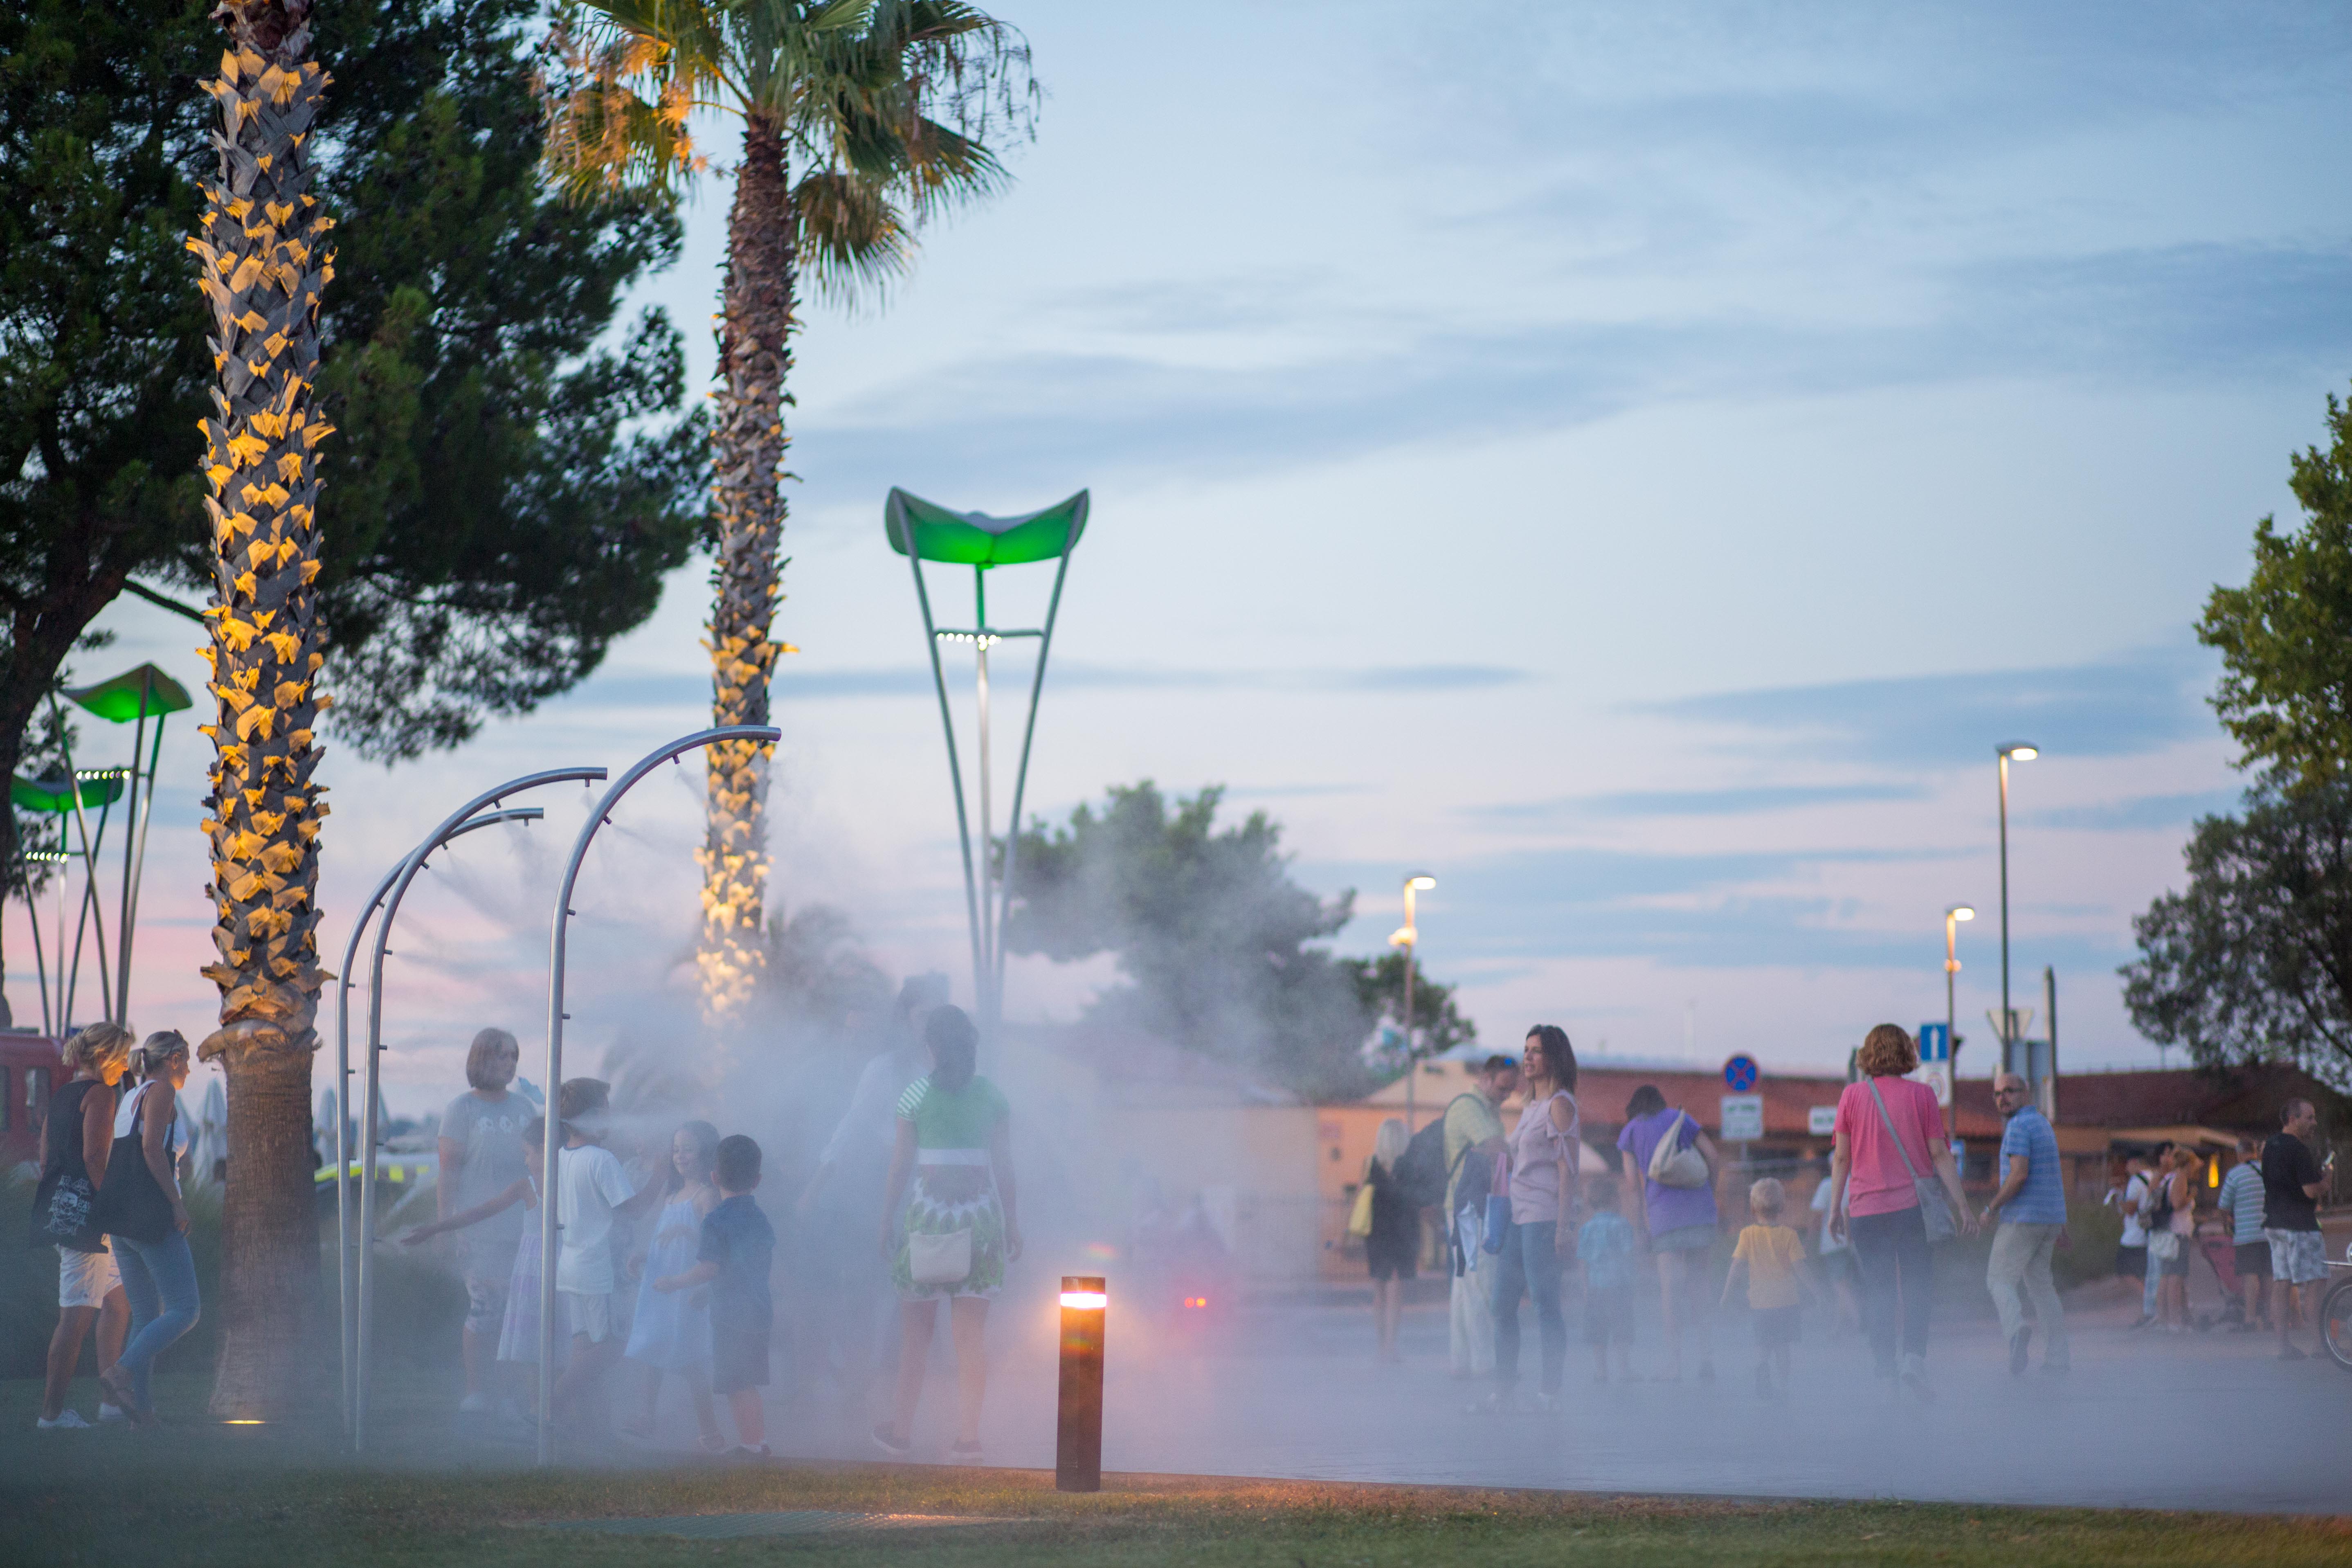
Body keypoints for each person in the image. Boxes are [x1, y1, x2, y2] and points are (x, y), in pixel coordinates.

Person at [797, 974, 947, 1421]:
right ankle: (857, 1384)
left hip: (935, 1195)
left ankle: (899, 1397)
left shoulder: (954, 1072)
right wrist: (814, 1187)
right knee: (864, 1288)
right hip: (881, 1189)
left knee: (918, 1297)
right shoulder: (884, 1068)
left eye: (938, 1012)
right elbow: (849, 1127)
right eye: (922, 1012)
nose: (930, 1022)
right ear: (906, 1017)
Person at [875, 1005, 1021, 1462]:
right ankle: (968, 1438)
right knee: (970, 1337)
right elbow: (1004, 1167)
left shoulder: (914, 1096)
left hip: (928, 1223)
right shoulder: (993, 1097)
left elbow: (900, 1166)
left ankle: (900, 1433)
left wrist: (885, 1219)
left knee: (917, 1335)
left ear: (932, 1047)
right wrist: (1013, 1222)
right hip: (981, 1225)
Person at [1827, 1024, 1975, 1402]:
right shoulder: (1923, 1095)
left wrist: (1835, 1209)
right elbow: (1939, 1154)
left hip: (1865, 1211)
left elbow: (1842, 1158)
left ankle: (1884, 1371)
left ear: (1868, 1054)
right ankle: (1913, 1360)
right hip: (1912, 1210)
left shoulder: (1851, 1096)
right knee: (1917, 1285)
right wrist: (1962, 1206)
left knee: (1879, 1291)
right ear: (1907, 1053)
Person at [403, 1114, 561, 1413]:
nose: (526, 1161)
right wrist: (437, 1228)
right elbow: (481, 1212)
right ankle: (534, 1407)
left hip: (562, 1274)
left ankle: (552, 1405)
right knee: (530, 1340)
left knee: (556, 1338)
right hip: (533, 1275)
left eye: (528, 1154)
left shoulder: (569, 1182)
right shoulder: (526, 1187)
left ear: (545, 1149)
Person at [92, 1032, 199, 1425]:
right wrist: (177, 1202)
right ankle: (121, 1371)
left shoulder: (131, 1096)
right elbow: (152, 1150)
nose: (189, 1070)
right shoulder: (162, 1091)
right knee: (186, 1309)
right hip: (151, 1218)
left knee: (145, 1314)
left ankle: (143, 1411)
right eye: (187, 1060)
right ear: (174, 1059)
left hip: (122, 1220)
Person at [31, 1022, 135, 1429]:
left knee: (118, 1302)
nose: (125, 1066)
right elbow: (95, 1157)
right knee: (75, 1318)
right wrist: (114, 1206)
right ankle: (52, 1415)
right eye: (122, 1057)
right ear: (106, 1056)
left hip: (61, 1211)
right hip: (88, 1220)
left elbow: (44, 1159)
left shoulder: (62, 1094)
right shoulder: (102, 1094)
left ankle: (111, 1403)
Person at [548, 1078, 661, 1429]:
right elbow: (634, 1211)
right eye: (606, 1111)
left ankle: (586, 1425)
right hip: (600, 1270)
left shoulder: (561, 1156)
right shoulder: (602, 1159)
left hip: (572, 1265)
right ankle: (547, 1407)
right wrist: (661, 1174)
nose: (612, 1118)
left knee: (583, 1348)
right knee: (613, 1347)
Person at [655, 1133, 776, 1458]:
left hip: (732, 1316)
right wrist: (708, 1294)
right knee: (745, 1381)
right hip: (759, 1311)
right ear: (757, 1180)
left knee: (737, 1382)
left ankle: (753, 1446)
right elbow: (742, 1267)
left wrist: (675, 1282)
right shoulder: (760, 1218)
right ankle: (757, 1442)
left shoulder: (716, 1220)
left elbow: (709, 1267)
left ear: (714, 1177)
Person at [1485, 1024, 1579, 1412]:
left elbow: (1568, 1170)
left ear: (1554, 1058)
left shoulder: (1560, 1104)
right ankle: (1504, 1389)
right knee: (1501, 1305)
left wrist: (1564, 1226)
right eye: (1526, 1049)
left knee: (1545, 1305)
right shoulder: (1529, 1107)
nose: (1528, 1057)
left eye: (1537, 1050)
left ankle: (1550, 1391)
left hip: (1543, 1217)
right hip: (1516, 1216)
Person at [435, 1027, 528, 1415]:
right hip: (478, 1231)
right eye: (502, 1055)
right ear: (482, 1058)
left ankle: (508, 1393)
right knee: (485, 1308)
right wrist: (446, 1228)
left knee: (515, 1313)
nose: (509, 1063)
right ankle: (476, 1392)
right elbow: (449, 1175)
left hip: (522, 1230)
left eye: (514, 1056)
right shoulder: (462, 1109)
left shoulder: (524, 1108)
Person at [623, 1121, 723, 1451]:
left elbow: (715, 1247)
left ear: (706, 1153)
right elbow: (664, 1241)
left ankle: (710, 1431)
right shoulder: (672, 1196)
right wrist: (644, 1256)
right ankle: (647, 1417)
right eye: (676, 1149)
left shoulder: (706, 1196)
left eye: (688, 1149)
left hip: (687, 1290)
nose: (680, 1156)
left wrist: (685, 1233)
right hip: (661, 1287)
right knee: (652, 1348)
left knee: (690, 1359)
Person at [1617, 1082, 1719, 1382]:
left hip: (1664, 1217)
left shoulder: (1631, 1131)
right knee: (1700, 1286)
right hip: (1700, 1211)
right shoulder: (1680, 1118)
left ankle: (1674, 1365)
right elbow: (1713, 1155)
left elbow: (1633, 1186)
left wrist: (1639, 1224)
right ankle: (1707, 1358)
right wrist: (1710, 1192)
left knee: (1670, 1290)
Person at [1979, 1071, 2070, 1375]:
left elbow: (2019, 1175)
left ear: (2026, 1092)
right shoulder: (2043, 1124)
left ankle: (2016, 1329)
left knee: (1998, 1279)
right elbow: (2054, 1175)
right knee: (2042, 1288)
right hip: (2048, 1219)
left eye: (2009, 1091)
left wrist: (1991, 1208)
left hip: (2023, 1218)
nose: (2002, 1098)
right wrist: (2062, 1221)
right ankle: (2058, 1358)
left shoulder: (2018, 1126)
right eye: (1997, 1094)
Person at [1443, 1055, 1518, 1379]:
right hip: (1469, 1207)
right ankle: (1485, 1363)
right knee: (1481, 1284)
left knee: (1464, 1287)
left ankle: (1461, 1361)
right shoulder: (1469, 1107)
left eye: (1512, 1089)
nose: (1507, 1095)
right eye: (1503, 1087)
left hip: (1470, 1205)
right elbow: (1498, 1148)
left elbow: (1498, 1156)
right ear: (1486, 1078)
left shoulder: (1489, 1110)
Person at [1722, 1177, 1810, 1399]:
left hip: (1760, 1303)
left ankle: (1762, 1372)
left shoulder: (1747, 1235)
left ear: (1753, 1208)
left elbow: (1736, 1267)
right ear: (1782, 1207)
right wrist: (1816, 1290)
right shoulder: (1789, 1235)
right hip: (1786, 1302)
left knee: (1762, 1345)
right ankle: (1784, 1387)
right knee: (1783, 1347)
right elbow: (1800, 1268)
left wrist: (1726, 1295)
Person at [2262, 1098, 2334, 1361]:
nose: (2314, 1123)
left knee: (2282, 1282)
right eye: (2309, 1118)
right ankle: (2320, 1345)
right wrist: (2327, 1180)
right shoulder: (2298, 1149)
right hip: (2301, 1225)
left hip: (2275, 1223)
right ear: (2293, 1119)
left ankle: (2283, 1346)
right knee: (2316, 1282)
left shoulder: (2270, 1146)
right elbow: (2311, 1191)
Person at [1363, 1117, 1415, 1362]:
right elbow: (1414, 1201)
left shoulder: (1370, 1165)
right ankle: (1390, 1347)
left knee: (1380, 1291)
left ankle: (1381, 1347)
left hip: (1376, 1234)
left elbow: (1362, 1199)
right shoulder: (1409, 1167)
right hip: (1401, 1234)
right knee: (1395, 1293)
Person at [1576, 1179, 1636, 1382]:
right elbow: (1629, 1254)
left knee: (1598, 1331)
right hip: (1619, 1286)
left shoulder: (1587, 1228)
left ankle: (1602, 1371)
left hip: (1596, 1287)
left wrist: (1585, 1287)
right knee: (1622, 1329)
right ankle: (1624, 1370)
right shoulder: (1622, 1225)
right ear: (1613, 1199)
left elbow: (1583, 1261)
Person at [2217, 1137, 2271, 1332]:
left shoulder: (2235, 1175)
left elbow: (2224, 1207)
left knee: (2251, 1276)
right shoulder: (2268, 1170)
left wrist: (2228, 1223)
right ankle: (2272, 1317)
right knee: (2270, 1275)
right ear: (2255, 1152)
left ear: (2240, 1154)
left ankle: (2250, 1318)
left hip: (2246, 1235)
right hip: (2270, 1232)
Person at [1808, 1150, 1860, 1336]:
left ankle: (1858, 1322)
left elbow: (1817, 1214)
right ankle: (1838, 1327)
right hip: (1851, 1241)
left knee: (1840, 1285)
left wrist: (1810, 1239)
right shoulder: (1854, 1183)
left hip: (1832, 1242)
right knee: (1845, 1284)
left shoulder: (1827, 1185)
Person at [2151, 1145, 2201, 1332]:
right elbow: (2177, 1204)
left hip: (2169, 1233)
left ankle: (2164, 1320)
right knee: (2176, 1278)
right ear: (2187, 1165)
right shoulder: (2180, 1179)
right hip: (2178, 1234)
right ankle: (2175, 1321)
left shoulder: (2169, 1178)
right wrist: (2191, 1196)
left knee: (2166, 1277)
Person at [2109, 1156, 2153, 1326]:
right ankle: (2148, 1308)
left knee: (2125, 1273)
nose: (2126, 1169)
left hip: (2134, 1236)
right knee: (2142, 1274)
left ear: (2135, 1162)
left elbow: (2131, 1210)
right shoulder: (2153, 1177)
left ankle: (2150, 1306)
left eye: (2127, 1164)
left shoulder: (2136, 1180)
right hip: (2148, 1233)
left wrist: (2119, 1198)